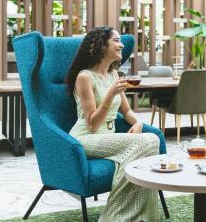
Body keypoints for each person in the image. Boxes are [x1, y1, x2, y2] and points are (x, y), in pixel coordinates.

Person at [66, 26, 159, 222]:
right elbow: (92, 124)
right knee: (145, 142)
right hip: (85, 138)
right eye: (116, 40)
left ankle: (143, 216)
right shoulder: (84, 76)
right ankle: (113, 217)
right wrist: (110, 95)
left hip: (109, 135)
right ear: (101, 45)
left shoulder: (113, 75)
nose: (121, 44)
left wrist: (138, 123)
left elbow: (126, 111)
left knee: (152, 139)